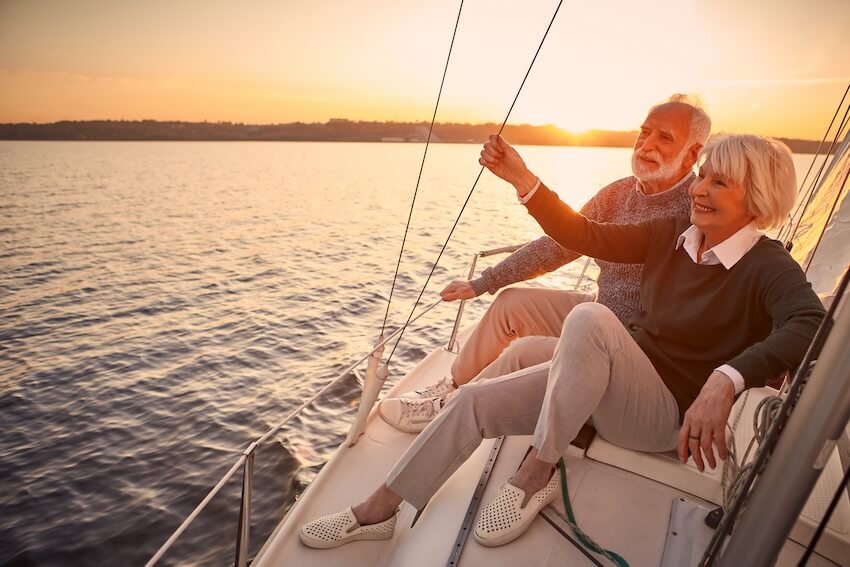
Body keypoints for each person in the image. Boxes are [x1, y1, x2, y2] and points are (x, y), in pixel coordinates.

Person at [299, 133, 825, 549]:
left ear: (756, 197)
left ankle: (538, 469)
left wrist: (725, 379)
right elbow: (586, 235)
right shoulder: (670, 234)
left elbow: (809, 325)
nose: (699, 188)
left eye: (720, 183)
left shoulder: (768, 266)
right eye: (702, 175)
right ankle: (378, 510)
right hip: (619, 383)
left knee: (591, 319)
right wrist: (525, 182)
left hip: (663, 417)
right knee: (475, 400)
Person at [378, 95, 712, 433]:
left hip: (632, 347)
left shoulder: (699, 209)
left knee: (525, 350)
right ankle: (453, 386)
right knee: (510, 304)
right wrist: (483, 282)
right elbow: (560, 245)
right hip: (600, 309)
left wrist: (524, 180)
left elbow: (582, 235)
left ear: (693, 153)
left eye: (665, 137)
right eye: (645, 132)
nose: (647, 145)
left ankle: (454, 411)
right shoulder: (618, 193)